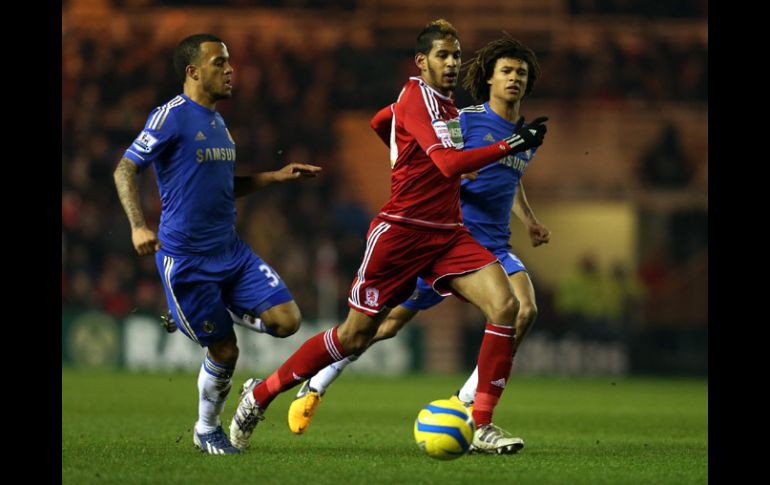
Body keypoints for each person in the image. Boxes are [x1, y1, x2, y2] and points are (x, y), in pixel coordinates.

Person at [229, 19, 548, 454]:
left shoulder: (448, 107)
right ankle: (261, 393)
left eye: (456, 55)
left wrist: (402, 147)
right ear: (422, 61)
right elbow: (450, 165)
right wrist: (507, 146)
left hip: (450, 234)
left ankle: (482, 422)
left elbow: (383, 121)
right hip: (401, 235)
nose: (453, 62)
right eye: (443, 55)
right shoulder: (417, 98)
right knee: (355, 336)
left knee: (507, 305)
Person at [113, 33, 321, 455]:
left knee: (288, 321)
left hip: (231, 251)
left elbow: (224, 186)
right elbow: (125, 169)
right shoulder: (170, 116)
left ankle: (200, 312)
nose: (230, 70)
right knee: (225, 348)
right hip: (187, 261)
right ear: (193, 71)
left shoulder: (218, 123)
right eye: (219, 63)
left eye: (230, 63)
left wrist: (274, 177)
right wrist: (137, 226)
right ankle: (206, 428)